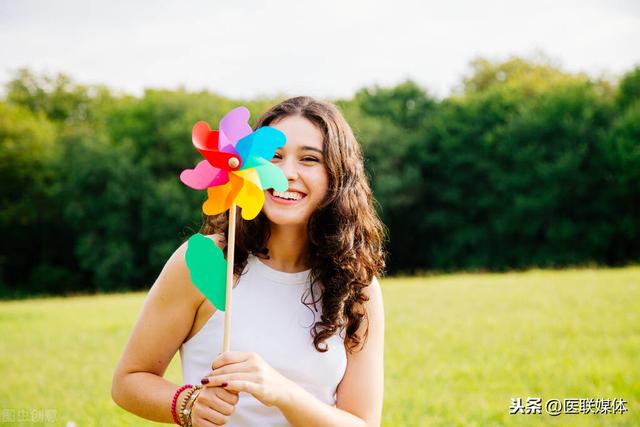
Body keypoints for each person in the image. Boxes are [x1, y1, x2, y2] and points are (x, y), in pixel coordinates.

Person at [111, 96, 386, 426]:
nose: (285, 173)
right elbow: (129, 380)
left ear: (336, 176)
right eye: (273, 156)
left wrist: (283, 392)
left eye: (309, 159)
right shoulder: (208, 259)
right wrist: (188, 403)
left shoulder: (356, 285)